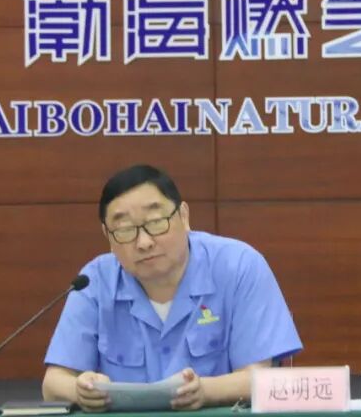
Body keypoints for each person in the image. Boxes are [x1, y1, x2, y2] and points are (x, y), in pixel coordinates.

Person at [42, 164, 302, 411]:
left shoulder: (239, 266)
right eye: (124, 230)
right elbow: (53, 383)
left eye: (156, 222)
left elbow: (262, 379)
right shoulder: (94, 282)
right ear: (108, 236)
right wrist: (80, 389)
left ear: (184, 216)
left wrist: (206, 391)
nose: (144, 242)